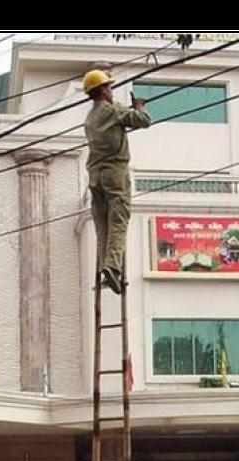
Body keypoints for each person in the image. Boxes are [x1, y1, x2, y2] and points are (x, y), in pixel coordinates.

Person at [83, 68, 151, 295]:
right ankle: (112, 267)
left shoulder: (90, 119)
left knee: (102, 226)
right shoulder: (111, 111)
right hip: (114, 172)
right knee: (118, 221)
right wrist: (139, 107)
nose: (112, 91)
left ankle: (105, 267)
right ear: (102, 90)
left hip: (95, 176)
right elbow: (143, 120)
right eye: (109, 87)